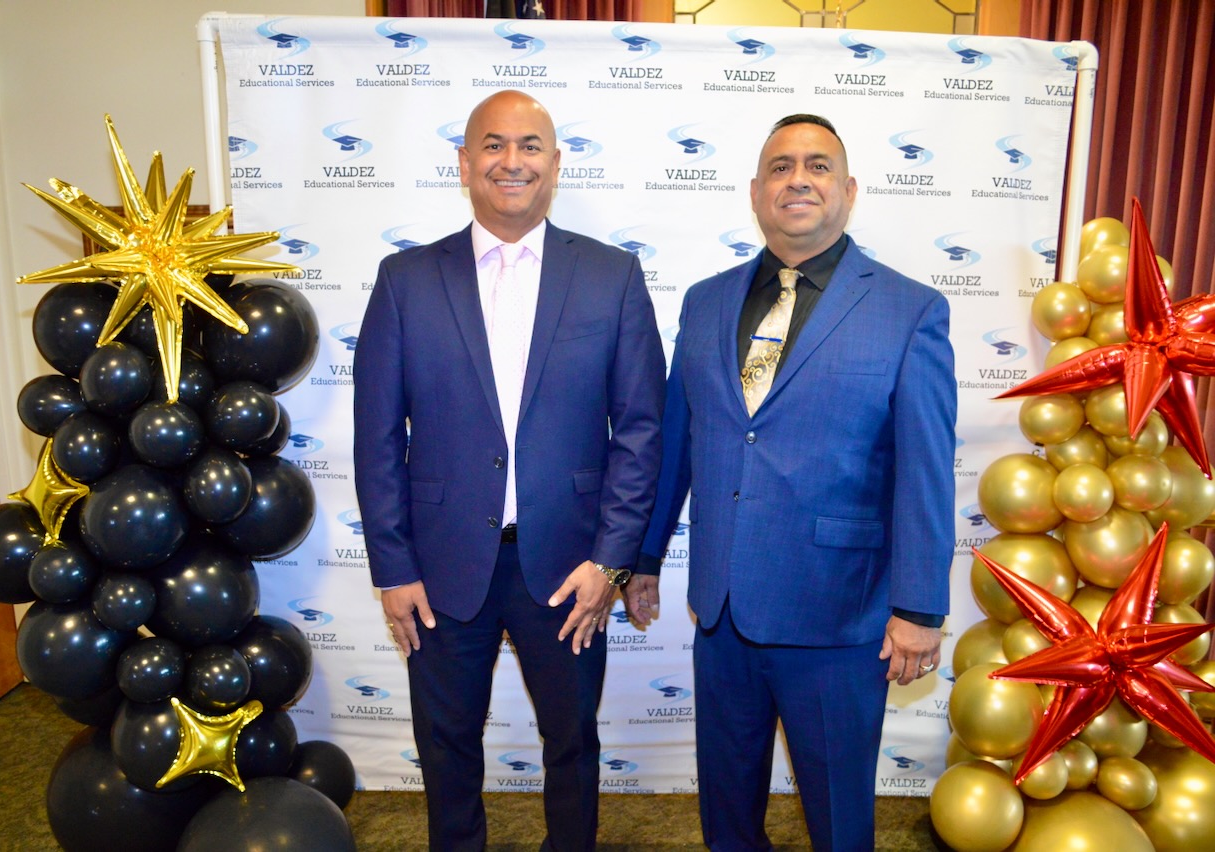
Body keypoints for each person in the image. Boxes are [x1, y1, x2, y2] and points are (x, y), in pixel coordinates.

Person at [353, 90, 665, 851]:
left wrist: (611, 562)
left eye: (530, 146)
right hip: (439, 565)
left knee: (573, 741)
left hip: (570, 566)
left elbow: (640, 430)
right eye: (493, 145)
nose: (511, 161)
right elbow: (376, 437)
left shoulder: (612, 275)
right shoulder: (405, 279)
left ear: (555, 165)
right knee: (446, 745)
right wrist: (393, 567)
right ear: (464, 163)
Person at [635, 114, 956, 851]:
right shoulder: (705, 301)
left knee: (838, 821)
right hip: (721, 611)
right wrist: (646, 554)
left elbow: (925, 471)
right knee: (727, 814)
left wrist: (919, 607)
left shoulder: (910, 310)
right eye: (780, 167)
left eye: (817, 166)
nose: (798, 180)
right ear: (756, 192)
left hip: (838, 616)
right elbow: (679, 440)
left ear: (848, 190)